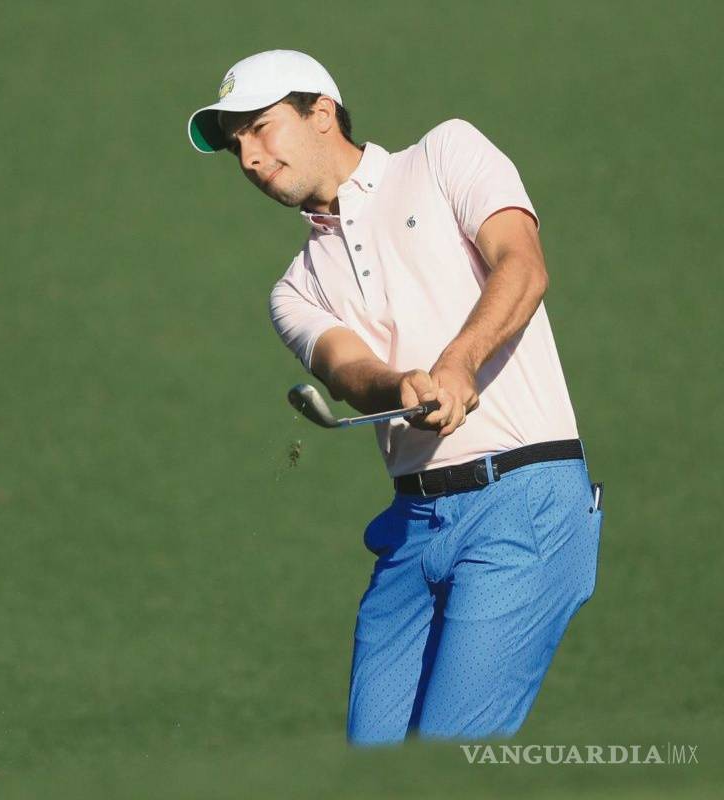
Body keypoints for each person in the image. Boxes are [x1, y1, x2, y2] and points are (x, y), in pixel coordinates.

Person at [186, 50, 603, 745]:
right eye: (236, 148)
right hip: (414, 528)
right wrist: (400, 385)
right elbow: (350, 371)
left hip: (523, 501)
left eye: (260, 129)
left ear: (321, 112)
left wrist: (459, 363)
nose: (250, 159)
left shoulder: (443, 155)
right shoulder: (293, 289)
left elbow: (522, 266)